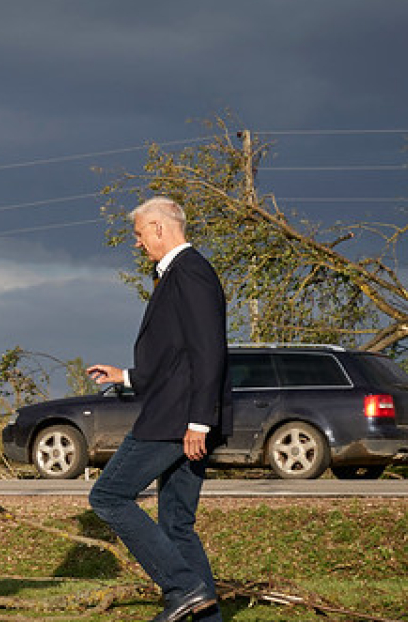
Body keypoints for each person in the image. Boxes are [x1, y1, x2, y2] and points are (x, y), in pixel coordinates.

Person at [86, 196, 230, 622]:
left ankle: (183, 587)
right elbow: (176, 357)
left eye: (139, 233)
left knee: (108, 496)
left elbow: (209, 353)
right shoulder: (177, 275)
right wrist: (125, 377)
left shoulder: (191, 272)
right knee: (176, 525)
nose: (137, 242)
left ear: (160, 229)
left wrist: (199, 423)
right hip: (182, 414)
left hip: (178, 420)